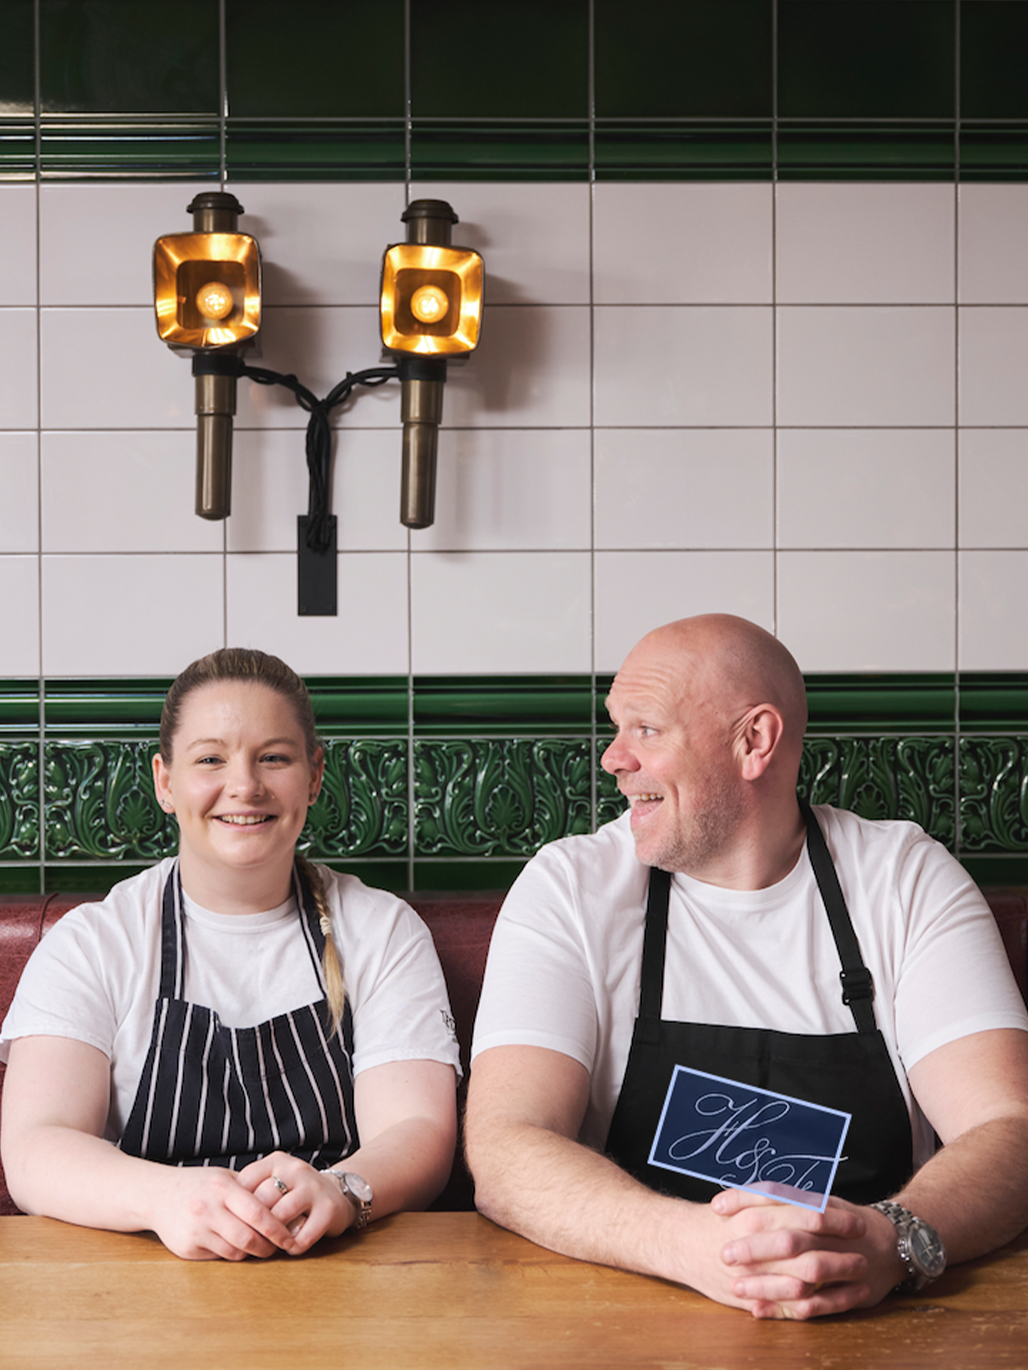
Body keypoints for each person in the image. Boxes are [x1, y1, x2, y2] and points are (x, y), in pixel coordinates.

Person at [465, 614, 1028, 1320]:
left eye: (646, 729)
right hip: (630, 1312)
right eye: (617, 727)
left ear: (753, 741)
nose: (612, 758)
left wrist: (893, 1240)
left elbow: (1009, 1126)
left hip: (878, 1319)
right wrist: (693, 1247)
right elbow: (505, 1146)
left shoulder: (903, 880)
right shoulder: (571, 888)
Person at [0, 648, 459, 1260]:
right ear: (165, 782)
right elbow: (36, 1146)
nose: (244, 786)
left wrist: (342, 1190)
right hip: (139, 1283)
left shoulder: (383, 931)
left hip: (341, 1273)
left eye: (274, 757)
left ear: (315, 775)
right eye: (210, 758)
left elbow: (419, 1129)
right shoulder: (94, 942)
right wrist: (164, 1199)